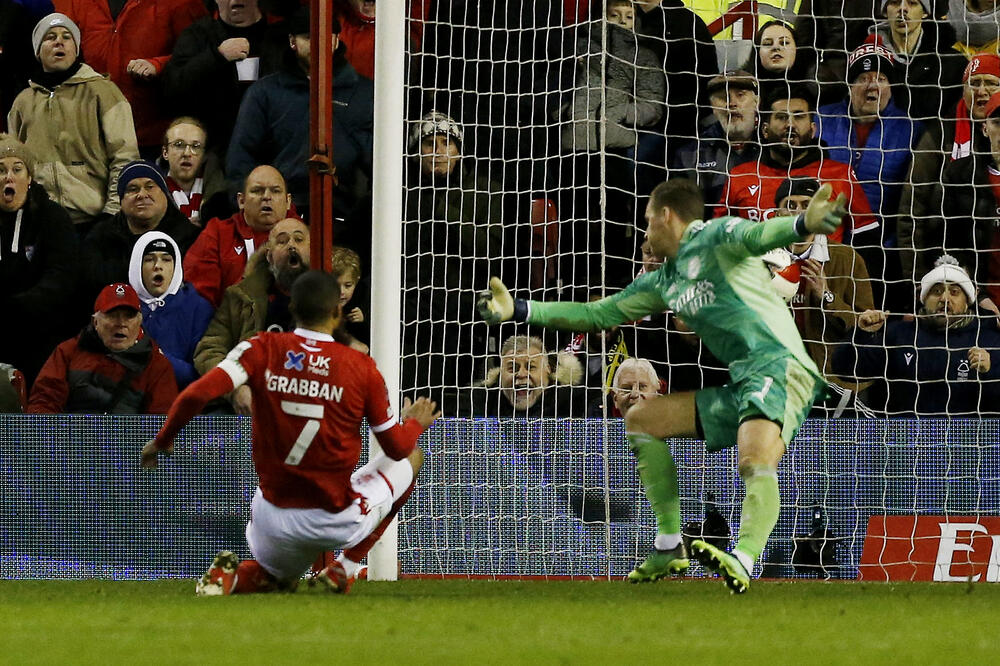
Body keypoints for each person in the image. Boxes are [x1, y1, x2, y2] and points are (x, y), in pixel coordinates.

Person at [477, 178, 848, 593]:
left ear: (666, 216)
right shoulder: (665, 281)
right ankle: (670, 543)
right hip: (744, 379)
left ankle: (743, 559)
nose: (647, 232)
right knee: (642, 418)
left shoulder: (715, 235)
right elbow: (596, 315)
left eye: (649, 221)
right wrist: (522, 309)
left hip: (783, 369)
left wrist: (801, 223)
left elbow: (761, 232)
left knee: (754, 458)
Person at [140, 270, 441, 595]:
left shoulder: (260, 347)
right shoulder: (361, 367)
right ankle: (346, 567)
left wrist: (163, 439)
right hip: (335, 519)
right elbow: (396, 448)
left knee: (276, 580)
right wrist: (414, 423)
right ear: (337, 311)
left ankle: (234, 576)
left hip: (272, 516)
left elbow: (196, 394)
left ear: (292, 307)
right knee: (413, 455)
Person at [226, 6, 374, 220]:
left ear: (335, 40)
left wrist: (364, 214)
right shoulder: (264, 93)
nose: (318, 44)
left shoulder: (365, 93)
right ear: (292, 42)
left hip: (346, 217)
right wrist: (252, 211)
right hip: (278, 218)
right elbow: (240, 159)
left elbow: (379, 163)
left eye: (325, 37)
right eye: (308, 37)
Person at [7, 12, 140, 229]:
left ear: (76, 49)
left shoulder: (104, 92)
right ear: (38, 51)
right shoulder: (22, 102)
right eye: (50, 37)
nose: (59, 41)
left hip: (95, 220)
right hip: (38, 222)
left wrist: (113, 213)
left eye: (66, 37)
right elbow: (12, 163)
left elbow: (125, 157)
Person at [817, 43, 924, 310]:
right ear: (850, 85)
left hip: (885, 256)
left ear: (891, 86)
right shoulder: (820, 119)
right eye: (863, 79)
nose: (872, 86)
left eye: (881, 78)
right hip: (825, 249)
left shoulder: (912, 130)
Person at [833, 255, 1000, 417]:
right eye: (936, 291)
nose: (944, 298)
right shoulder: (898, 335)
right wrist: (861, 333)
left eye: (954, 292)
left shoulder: (989, 341)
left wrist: (989, 373)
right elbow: (845, 369)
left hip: (963, 439)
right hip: (903, 438)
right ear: (924, 298)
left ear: (967, 302)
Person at [770, 178, 875, 416]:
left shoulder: (846, 258)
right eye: (790, 204)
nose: (798, 212)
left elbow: (866, 328)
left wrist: (827, 296)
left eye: (807, 204)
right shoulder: (758, 260)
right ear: (777, 214)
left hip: (836, 384)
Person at [51, 0, 208, 155]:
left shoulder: (180, 3)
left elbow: (201, 53)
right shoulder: (76, 3)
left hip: (155, 137)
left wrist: (158, 65)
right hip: (94, 137)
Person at [899, 53, 1000, 283]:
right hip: (949, 268)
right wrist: (916, 280)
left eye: (991, 83)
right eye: (974, 83)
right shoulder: (939, 136)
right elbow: (911, 211)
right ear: (963, 90)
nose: (981, 91)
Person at [193, 216, 310, 413]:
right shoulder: (241, 296)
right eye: (282, 241)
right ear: (269, 256)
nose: (291, 245)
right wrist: (235, 388)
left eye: (299, 239)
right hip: (254, 406)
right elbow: (209, 351)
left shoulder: (334, 297)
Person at [0, 134, 79, 388]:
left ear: (29, 178)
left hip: (40, 329)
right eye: (0, 170)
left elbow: (62, 277)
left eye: (17, 169)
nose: (8, 177)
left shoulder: (53, 217)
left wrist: (15, 308)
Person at [161, 0, 288, 157]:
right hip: (215, 151)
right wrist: (216, 56)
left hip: (274, 149)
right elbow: (172, 89)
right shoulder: (198, 35)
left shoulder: (282, 37)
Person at [28, 282, 178, 413]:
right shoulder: (67, 352)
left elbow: (161, 423)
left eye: (129, 316)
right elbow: (44, 401)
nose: (121, 323)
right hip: (71, 440)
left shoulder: (157, 365)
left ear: (139, 322)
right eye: (112, 315)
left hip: (129, 443)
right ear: (95, 322)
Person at [82, 159, 199, 299]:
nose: (142, 195)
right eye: (132, 189)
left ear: (165, 194)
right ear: (121, 201)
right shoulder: (101, 237)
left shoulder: (192, 237)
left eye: (150, 186)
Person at [183, 165, 292, 308]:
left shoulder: (304, 237)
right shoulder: (217, 233)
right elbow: (199, 297)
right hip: (231, 324)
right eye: (257, 191)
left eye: (275, 191)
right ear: (241, 201)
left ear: (288, 201)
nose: (266, 197)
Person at [932, 90, 1000, 307]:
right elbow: (946, 243)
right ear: (985, 128)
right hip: (977, 303)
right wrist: (978, 297)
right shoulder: (960, 175)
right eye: (998, 123)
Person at [128, 231, 214, 388]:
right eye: (149, 260)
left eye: (166, 260)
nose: (157, 266)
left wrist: (153, 358)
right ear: (136, 266)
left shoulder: (198, 308)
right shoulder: (120, 305)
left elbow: (199, 374)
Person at [672, 70, 761, 218]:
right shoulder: (689, 156)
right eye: (723, 97)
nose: (732, 103)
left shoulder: (774, 148)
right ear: (713, 107)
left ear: (757, 102)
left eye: (740, 95)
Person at [865, 0, 966, 122]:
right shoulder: (867, 61)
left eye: (912, 3)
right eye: (895, 2)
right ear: (885, 11)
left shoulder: (952, 63)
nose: (902, 9)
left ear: (925, 12)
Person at [451, 334, 586, 418]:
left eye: (531, 367)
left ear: (548, 370)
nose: (521, 374)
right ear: (501, 373)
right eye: (512, 368)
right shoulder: (478, 401)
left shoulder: (572, 404)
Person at [158, 116, 231, 228]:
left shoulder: (221, 197)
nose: (187, 153)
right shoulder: (152, 190)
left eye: (196, 146)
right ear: (165, 152)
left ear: (204, 155)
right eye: (179, 145)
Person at [740, 21, 815, 102]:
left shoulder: (814, 88)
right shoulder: (739, 85)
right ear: (758, 52)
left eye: (784, 43)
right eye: (767, 44)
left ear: (797, 49)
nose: (776, 47)